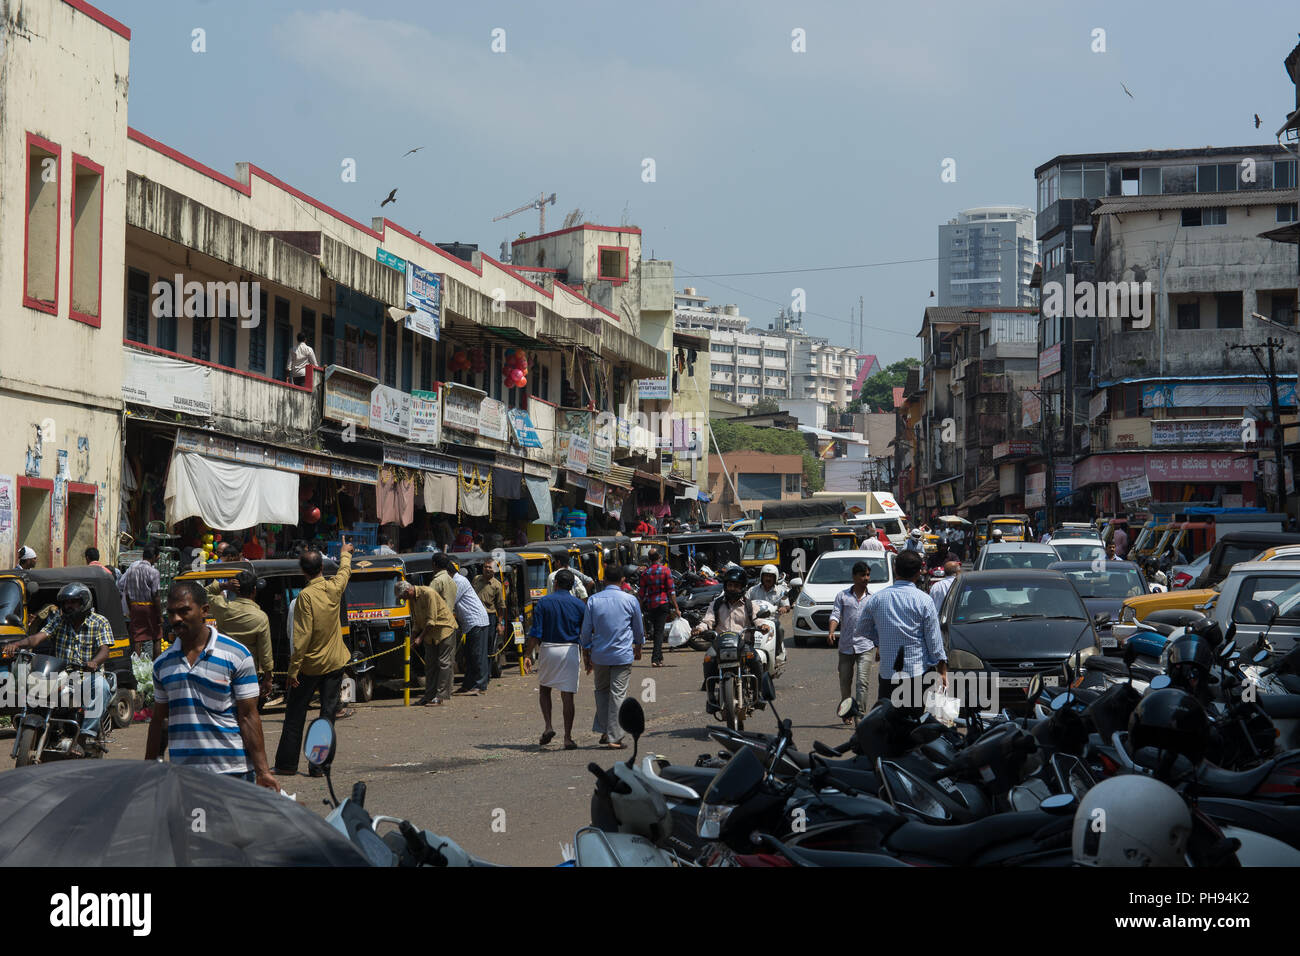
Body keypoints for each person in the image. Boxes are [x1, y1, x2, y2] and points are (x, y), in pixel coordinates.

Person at [144, 581, 280, 789]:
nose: (176, 619)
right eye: (171, 613)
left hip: (233, 772)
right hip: (185, 774)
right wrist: (149, 769)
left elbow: (248, 716)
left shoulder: (236, 655)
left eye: (184, 611)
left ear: (204, 611)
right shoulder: (163, 664)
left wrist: (262, 772)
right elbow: (159, 719)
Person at [273, 541, 354, 777]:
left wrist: (292, 671)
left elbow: (301, 638)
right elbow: (344, 572)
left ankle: (287, 765)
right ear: (321, 567)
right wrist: (345, 554)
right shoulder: (334, 587)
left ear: (303, 571)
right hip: (335, 663)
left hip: (309, 666)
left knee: (295, 715)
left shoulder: (306, 597)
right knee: (327, 715)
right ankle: (319, 766)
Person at [3, 583, 114, 755]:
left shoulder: (99, 622)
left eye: (73, 602)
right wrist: (17, 644)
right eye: (66, 602)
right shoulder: (60, 620)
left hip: (87, 675)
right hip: (62, 674)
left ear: (84, 602)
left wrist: (94, 662)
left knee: (101, 686)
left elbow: (105, 650)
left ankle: (85, 736)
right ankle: (36, 728)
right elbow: (37, 638)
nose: (68, 606)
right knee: (35, 685)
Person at [857, 550, 946, 709]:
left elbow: (862, 629)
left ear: (895, 570)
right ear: (919, 573)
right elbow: (934, 641)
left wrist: (881, 639)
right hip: (917, 673)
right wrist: (942, 669)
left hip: (888, 675)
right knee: (917, 724)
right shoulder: (924, 600)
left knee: (888, 724)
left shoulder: (877, 598)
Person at [581, 565, 644, 748]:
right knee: (618, 694)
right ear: (623, 580)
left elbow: (585, 631)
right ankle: (614, 737)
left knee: (601, 692)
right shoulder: (630, 600)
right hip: (622, 654)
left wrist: (586, 651)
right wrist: (638, 647)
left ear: (604, 580)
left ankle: (604, 730)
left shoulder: (593, 600)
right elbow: (638, 628)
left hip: (599, 654)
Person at [524, 568, 587, 750]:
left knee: (545, 689)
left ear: (555, 583)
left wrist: (528, 655)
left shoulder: (544, 603)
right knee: (568, 695)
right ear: (572, 586)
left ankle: (549, 726)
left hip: (549, 648)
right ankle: (567, 737)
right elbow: (586, 633)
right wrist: (588, 656)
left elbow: (536, 633)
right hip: (571, 650)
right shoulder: (579, 605)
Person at [692, 566, 759, 714]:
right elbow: (707, 620)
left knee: (755, 659)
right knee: (709, 658)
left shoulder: (749, 604)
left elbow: (757, 619)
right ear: (725, 586)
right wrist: (700, 628)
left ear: (742, 587)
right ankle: (711, 697)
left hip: (742, 644)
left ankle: (757, 693)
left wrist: (764, 625)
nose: (733, 588)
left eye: (736, 586)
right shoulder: (716, 603)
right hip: (720, 645)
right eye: (730, 585)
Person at [205, 571, 274, 703]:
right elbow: (266, 653)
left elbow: (201, 594)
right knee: (248, 713)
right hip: (248, 672)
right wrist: (268, 678)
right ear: (254, 590)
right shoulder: (260, 617)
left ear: (235, 589)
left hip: (223, 668)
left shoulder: (223, 607)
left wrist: (223, 585)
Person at [396, 578, 457, 706]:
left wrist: (420, 638)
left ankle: (440, 696)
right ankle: (429, 695)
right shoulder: (412, 600)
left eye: (404, 597)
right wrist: (413, 636)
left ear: (408, 591)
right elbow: (417, 622)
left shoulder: (428, 593)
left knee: (444, 663)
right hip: (429, 634)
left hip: (444, 629)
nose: (405, 600)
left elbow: (431, 620)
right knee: (430, 664)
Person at [828, 560, 876, 719]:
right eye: (862, 575)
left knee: (862, 683)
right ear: (854, 577)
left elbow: (877, 623)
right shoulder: (842, 596)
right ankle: (847, 711)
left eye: (868, 575)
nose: (866, 578)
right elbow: (835, 615)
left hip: (866, 646)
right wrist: (831, 631)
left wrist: (879, 646)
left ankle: (860, 715)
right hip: (846, 646)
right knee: (845, 684)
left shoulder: (872, 599)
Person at [445, 555, 492, 696]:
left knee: (477, 655)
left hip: (476, 620)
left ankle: (480, 685)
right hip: (471, 623)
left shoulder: (458, 581)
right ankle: (468, 684)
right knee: (470, 655)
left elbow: (450, 601)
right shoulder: (455, 581)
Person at [427, 553, 462, 702]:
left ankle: (436, 695)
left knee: (434, 663)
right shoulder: (451, 581)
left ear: (434, 565)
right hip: (451, 624)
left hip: (438, 627)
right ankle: (444, 693)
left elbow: (430, 606)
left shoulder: (436, 582)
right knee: (447, 662)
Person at [119, 543, 162, 658]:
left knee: (137, 638)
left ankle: (136, 665)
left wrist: (131, 609)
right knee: (157, 637)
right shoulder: (154, 572)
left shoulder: (131, 569)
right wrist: (159, 614)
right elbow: (155, 595)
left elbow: (126, 592)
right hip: (149, 607)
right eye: (157, 556)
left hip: (134, 606)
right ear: (154, 556)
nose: (157, 559)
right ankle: (156, 664)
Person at [638, 549, 679, 668]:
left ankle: (659, 658)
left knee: (657, 631)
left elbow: (641, 594)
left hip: (651, 605)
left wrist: (638, 608)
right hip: (663, 603)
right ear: (659, 557)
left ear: (649, 559)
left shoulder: (645, 573)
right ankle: (655, 658)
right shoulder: (666, 570)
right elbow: (671, 591)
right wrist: (676, 607)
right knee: (658, 632)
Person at [746, 563, 788, 656]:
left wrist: (784, 608)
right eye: (766, 576)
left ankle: (777, 652)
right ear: (761, 577)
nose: (768, 578)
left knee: (780, 629)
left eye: (770, 576)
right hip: (754, 619)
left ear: (775, 578)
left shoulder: (781, 591)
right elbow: (745, 602)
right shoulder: (752, 590)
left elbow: (786, 605)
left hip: (772, 620)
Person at [473, 559, 509, 661]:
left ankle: (487, 672)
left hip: (490, 617)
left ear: (494, 570)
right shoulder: (476, 579)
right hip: (476, 616)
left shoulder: (497, 585)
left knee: (489, 646)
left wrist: (499, 623)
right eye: (485, 567)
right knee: (476, 645)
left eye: (490, 567)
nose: (487, 569)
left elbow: (501, 606)